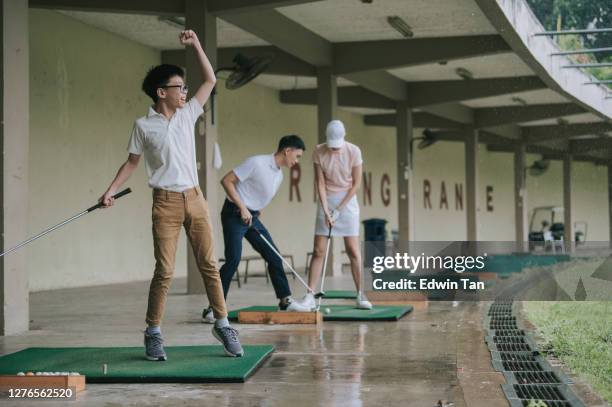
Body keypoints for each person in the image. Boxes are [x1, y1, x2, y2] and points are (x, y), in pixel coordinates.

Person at [99, 30, 243, 361]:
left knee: (209, 264)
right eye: (179, 87)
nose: (185, 92)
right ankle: (153, 332)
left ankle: (222, 323)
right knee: (164, 270)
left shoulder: (188, 113)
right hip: (164, 203)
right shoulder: (143, 125)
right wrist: (109, 192)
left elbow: (210, 79)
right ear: (162, 92)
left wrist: (195, 45)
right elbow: (132, 163)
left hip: (195, 198)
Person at [202, 135, 312, 323]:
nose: (297, 160)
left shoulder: (279, 175)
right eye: (298, 155)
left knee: (274, 255)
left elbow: (261, 200)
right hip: (233, 214)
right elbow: (227, 181)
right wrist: (243, 208)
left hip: (250, 218)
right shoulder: (257, 163)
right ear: (287, 151)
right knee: (233, 260)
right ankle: (213, 309)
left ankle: (285, 300)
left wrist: (253, 213)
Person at [299, 120, 372, 310]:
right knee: (318, 250)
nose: (334, 149)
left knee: (353, 250)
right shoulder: (318, 151)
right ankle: (309, 296)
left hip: (347, 202)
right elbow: (320, 184)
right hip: (327, 200)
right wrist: (326, 210)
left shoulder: (354, 151)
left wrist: (339, 209)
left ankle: (360, 294)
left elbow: (356, 184)